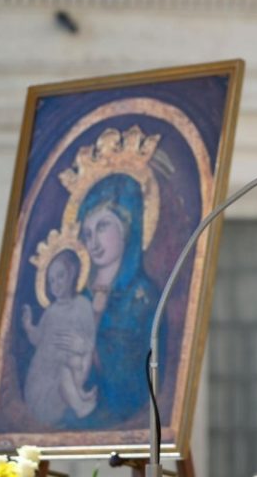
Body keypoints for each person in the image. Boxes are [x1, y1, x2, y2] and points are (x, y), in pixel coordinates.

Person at [74, 173, 165, 427]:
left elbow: (138, 375)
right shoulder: (79, 296)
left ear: (126, 227)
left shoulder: (143, 297)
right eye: (87, 233)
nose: (93, 242)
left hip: (124, 415)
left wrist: (95, 346)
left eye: (102, 227)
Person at [22, 249, 97, 425]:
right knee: (64, 370)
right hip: (44, 380)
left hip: (74, 370)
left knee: (72, 364)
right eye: (51, 281)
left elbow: (91, 342)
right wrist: (28, 326)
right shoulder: (51, 312)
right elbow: (38, 338)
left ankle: (79, 393)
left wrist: (83, 346)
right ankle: (80, 406)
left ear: (72, 273)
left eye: (60, 276)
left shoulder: (84, 306)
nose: (55, 284)